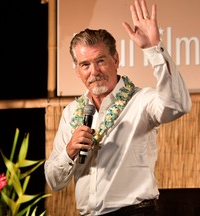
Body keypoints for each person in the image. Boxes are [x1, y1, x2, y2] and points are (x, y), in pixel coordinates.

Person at [44, 0, 192, 215]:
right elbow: (53, 181)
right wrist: (69, 152)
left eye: (101, 60)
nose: (94, 71)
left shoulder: (142, 100)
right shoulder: (71, 113)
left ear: (115, 59)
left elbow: (178, 105)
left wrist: (153, 49)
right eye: (85, 65)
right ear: (77, 70)